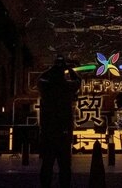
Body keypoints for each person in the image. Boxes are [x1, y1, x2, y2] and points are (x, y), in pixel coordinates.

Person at [38, 55, 81, 188]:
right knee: (65, 166)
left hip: (48, 132)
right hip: (64, 132)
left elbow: (39, 79)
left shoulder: (46, 87)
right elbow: (78, 81)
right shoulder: (67, 88)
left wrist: (52, 68)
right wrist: (68, 68)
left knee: (47, 164)